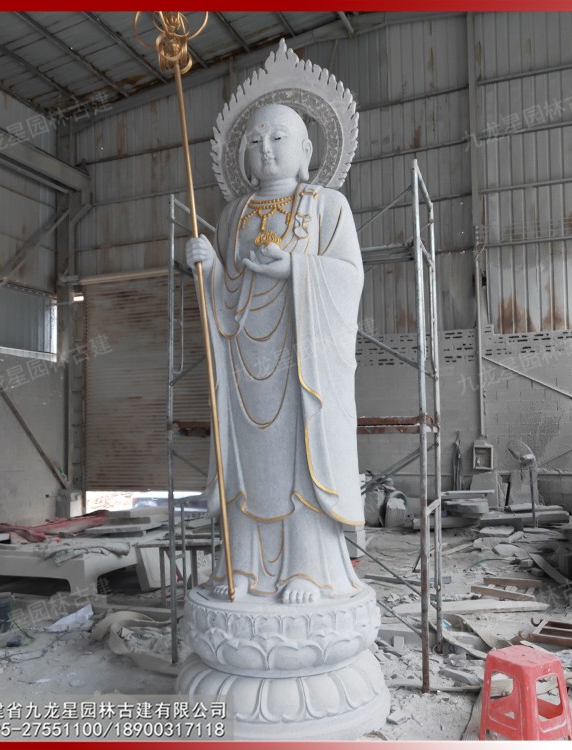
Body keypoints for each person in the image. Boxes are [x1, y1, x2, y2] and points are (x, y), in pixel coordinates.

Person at [186, 103, 365, 605]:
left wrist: (296, 269)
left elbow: (350, 277)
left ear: (306, 151)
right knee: (246, 464)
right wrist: (209, 268)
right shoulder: (234, 214)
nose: (264, 149)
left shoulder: (328, 205)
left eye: (278, 138)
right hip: (245, 359)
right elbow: (228, 292)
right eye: (254, 140)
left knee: (302, 459)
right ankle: (242, 566)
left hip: (303, 361)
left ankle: (308, 569)